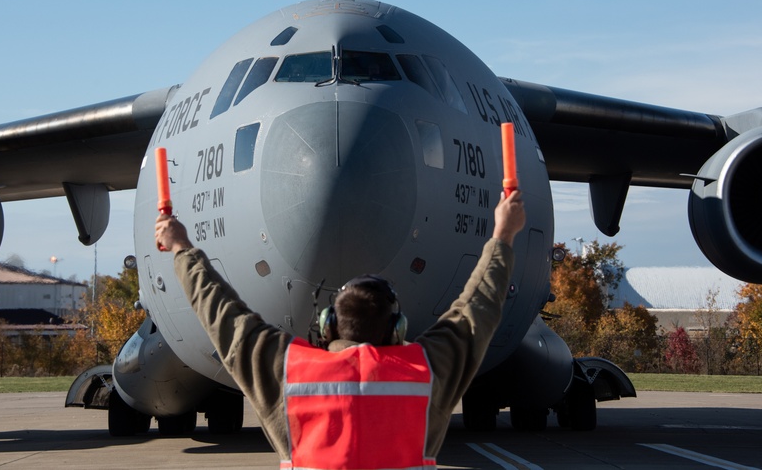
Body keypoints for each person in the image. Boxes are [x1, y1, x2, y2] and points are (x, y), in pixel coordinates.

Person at [155, 189, 526, 469]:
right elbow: (477, 308)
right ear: (396, 329)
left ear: (328, 325)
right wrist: (503, 236)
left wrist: (182, 247)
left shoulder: (290, 373)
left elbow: (221, 313)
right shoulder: (425, 373)